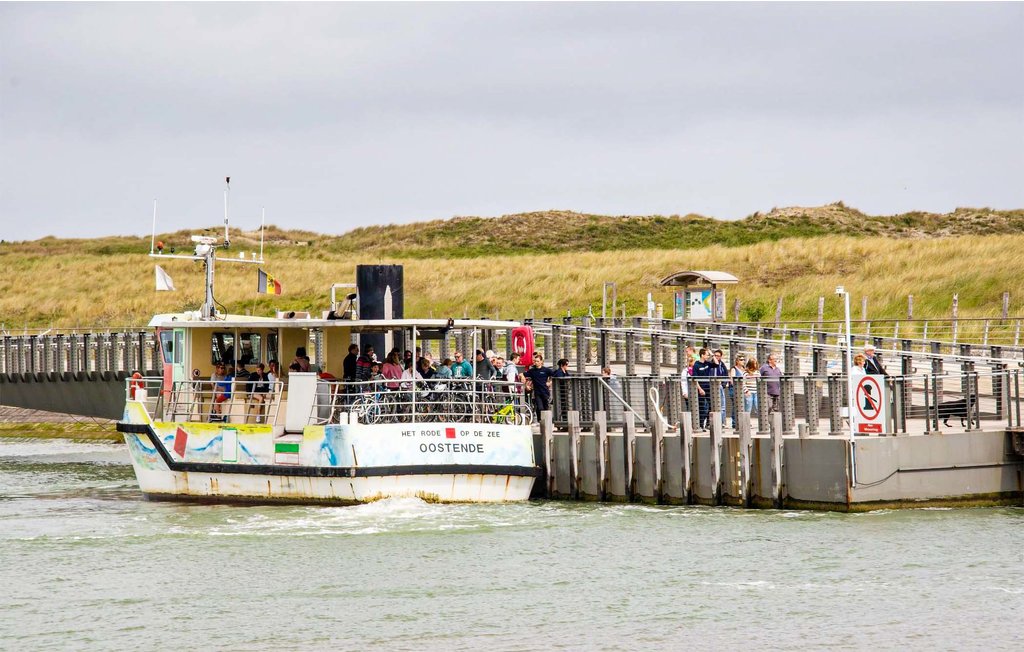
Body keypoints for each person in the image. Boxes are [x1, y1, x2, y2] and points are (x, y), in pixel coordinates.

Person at [524, 351, 555, 416]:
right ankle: (540, 420)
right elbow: (523, 374)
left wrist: (550, 382)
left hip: (545, 391)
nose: (536, 363)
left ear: (541, 361)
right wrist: (526, 384)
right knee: (539, 407)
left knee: (545, 407)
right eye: (535, 361)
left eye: (538, 361)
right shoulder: (532, 370)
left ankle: (545, 420)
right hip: (537, 392)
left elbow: (555, 375)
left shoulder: (546, 370)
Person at [691, 348, 713, 429]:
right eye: (707, 354)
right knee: (702, 407)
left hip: (708, 388)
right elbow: (694, 379)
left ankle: (707, 423)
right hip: (701, 389)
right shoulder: (696, 365)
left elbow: (717, 364)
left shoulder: (707, 363)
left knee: (711, 406)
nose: (708, 356)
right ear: (702, 355)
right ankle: (700, 425)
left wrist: (712, 355)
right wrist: (700, 389)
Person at [710, 349, 729, 427]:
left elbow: (725, 375)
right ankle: (711, 423)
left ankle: (722, 422)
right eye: (715, 355)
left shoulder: (722, 365)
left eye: (718, 356)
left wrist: (724, 384)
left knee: (722, 405)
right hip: (711, 386)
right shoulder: (709, 363)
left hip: (719, 386)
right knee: (711, 405)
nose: (717, 357)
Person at [729, 354, 746, 428]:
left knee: (742, 406)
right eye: (741, 360)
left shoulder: (744, 369)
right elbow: (732, 380)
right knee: (736, 406)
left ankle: (742, 421)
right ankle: (734, 422)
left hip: (743, 389)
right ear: (737, 361)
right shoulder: (734, 369)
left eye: (743, 360)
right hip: (735, 390)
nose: (743, 361)